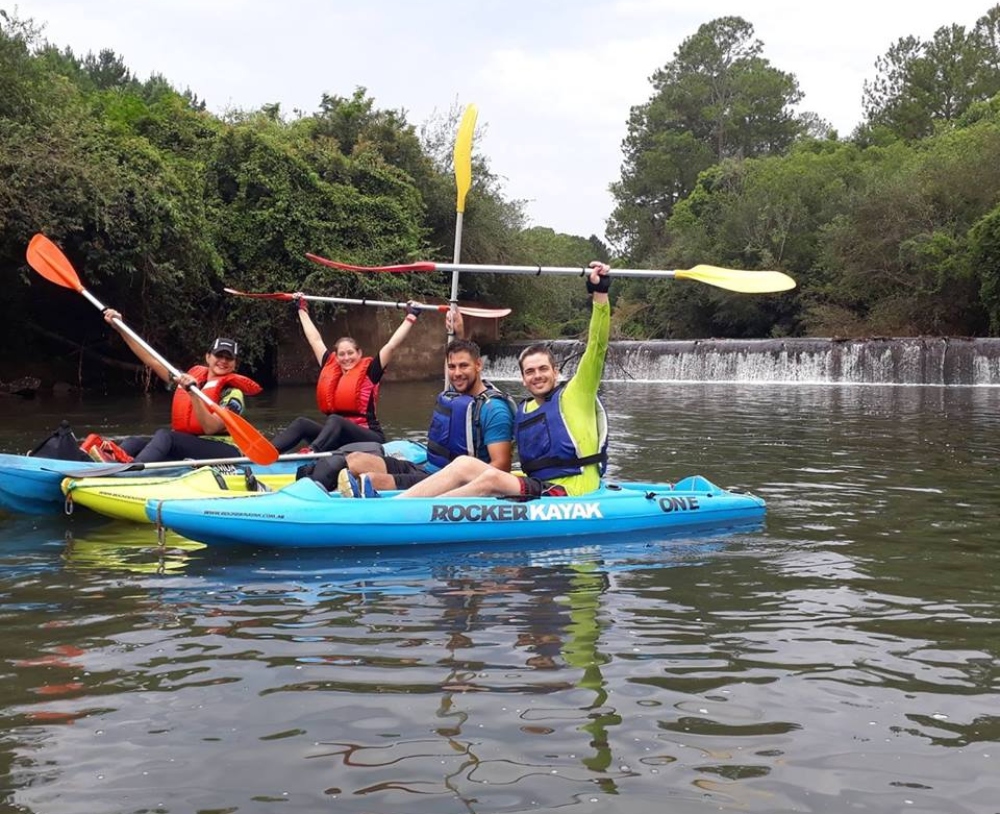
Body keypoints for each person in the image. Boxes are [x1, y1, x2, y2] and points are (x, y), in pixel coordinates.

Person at [341, 261, 611, 499]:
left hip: (574, 492)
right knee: (463, 464)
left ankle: (411, 512)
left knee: (491, 478)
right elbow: (465, 369)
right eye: (530, 371)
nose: (537, 376)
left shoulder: (577, 394)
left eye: (543, 369)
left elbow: (597, 347)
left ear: (556, 372)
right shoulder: (525, 408)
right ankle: (401, 504)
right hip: (540, 487)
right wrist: (458, 334)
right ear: (523, 378)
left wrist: (599, 294)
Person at [103, 309, 264, 463]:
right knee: (133, 442)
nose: (223, 361)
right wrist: (121, 328)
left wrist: (193, 394)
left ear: (234, 364)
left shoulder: (233, 394)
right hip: (191, 444)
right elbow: (152, 360)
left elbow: (210, 427)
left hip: (226, 450)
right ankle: (102, 464)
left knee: (166, 436)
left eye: (228, 358)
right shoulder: (190, 379)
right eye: (218, 355)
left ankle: (132, 470)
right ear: (208, 357)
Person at [269, 294, 420, 453]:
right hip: (337, 438)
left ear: (359, 353)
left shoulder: (371, 371)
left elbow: (391, 346)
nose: (346, 358)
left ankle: (313, 452)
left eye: (350, 353)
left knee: (335, 420)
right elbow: (315, 340)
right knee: (302, 423)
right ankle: (267, 452)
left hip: (369, 437)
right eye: (342, 354)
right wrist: (301, 309)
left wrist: (411, 316)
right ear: (337, 356)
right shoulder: (330, 365)